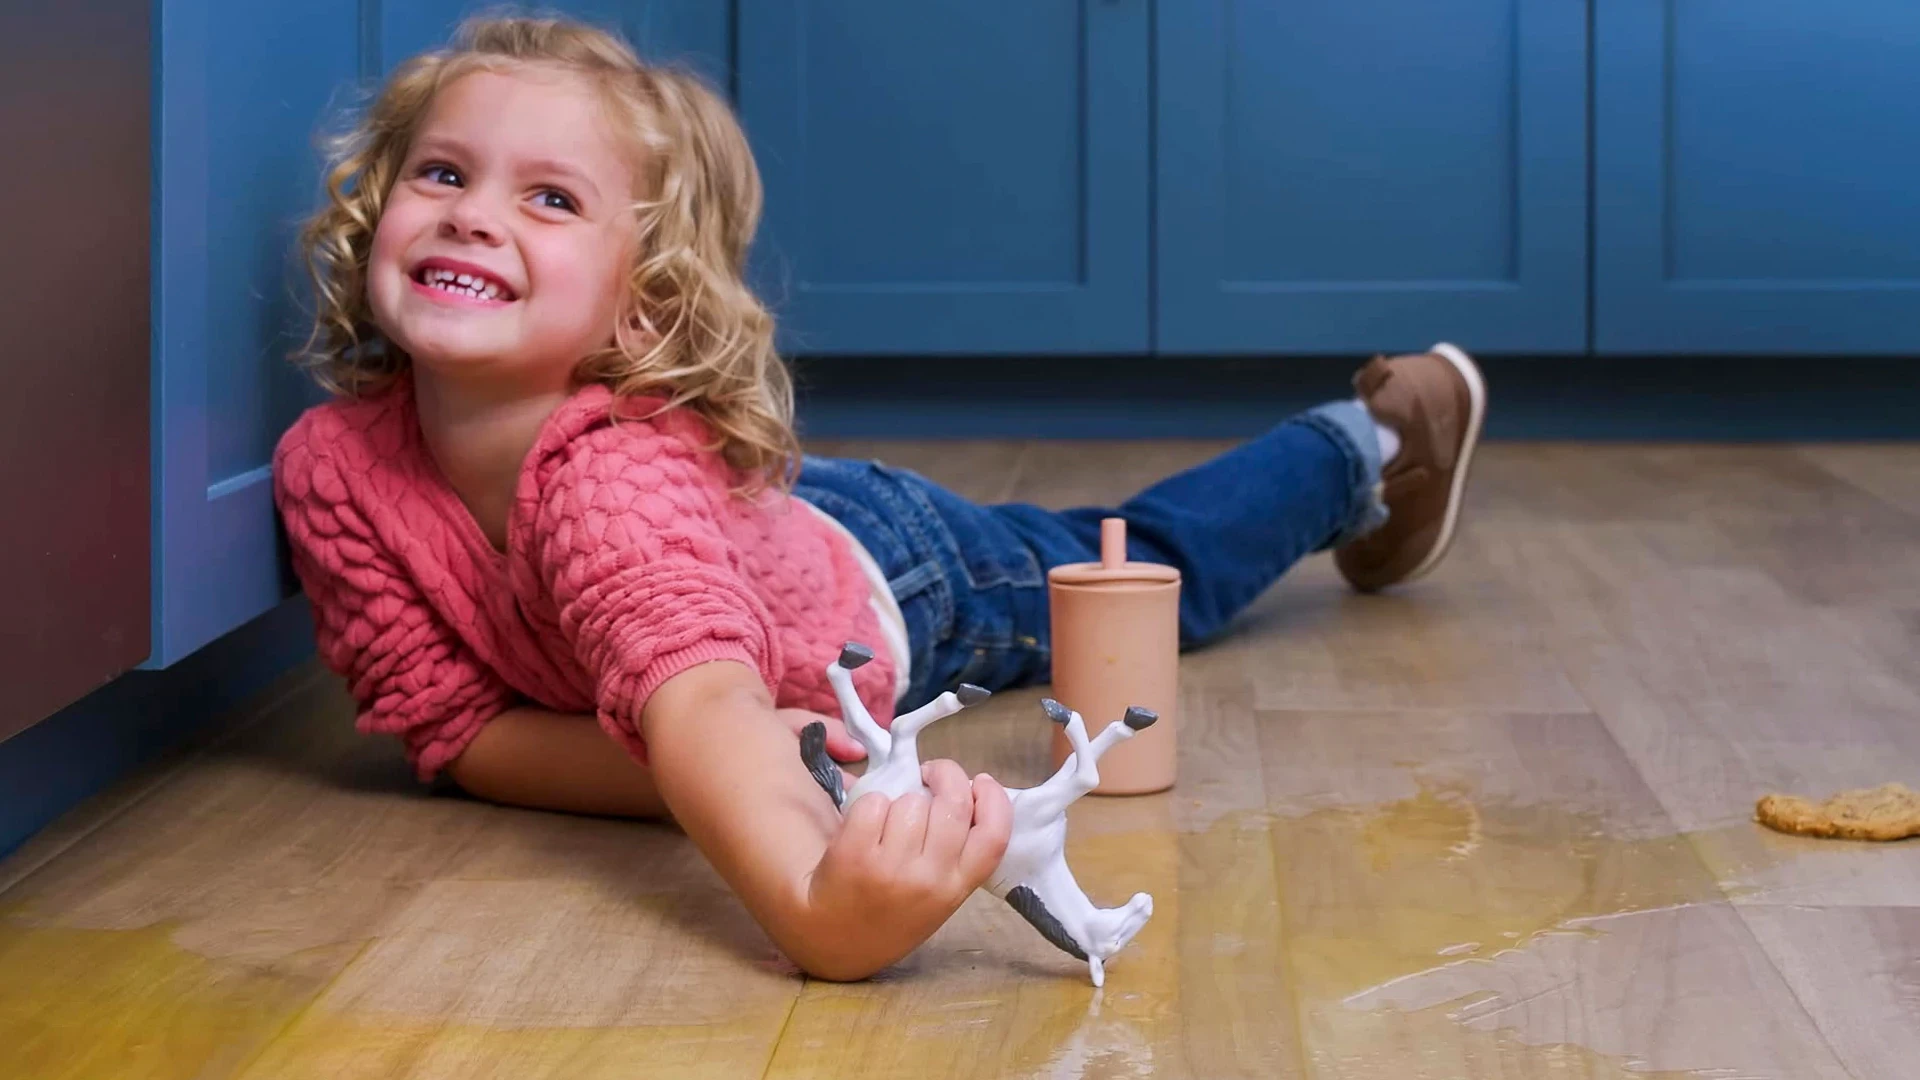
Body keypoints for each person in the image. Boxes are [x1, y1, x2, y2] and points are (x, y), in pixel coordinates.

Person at [272, 14, 1486, 982]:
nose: (474, 214)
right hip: (765, 530)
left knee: (1140, 571)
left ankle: (1368, 440)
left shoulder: (610, 483)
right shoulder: (333, 470)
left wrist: (816, 904)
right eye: (444, 171)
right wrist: (774, 772)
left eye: (550, 198)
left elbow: (696, 704)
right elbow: (457, 735)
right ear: (382, 209)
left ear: (640, 302)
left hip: (898, 581)